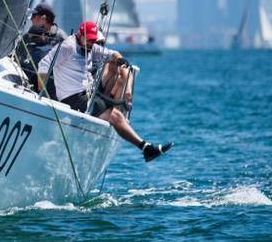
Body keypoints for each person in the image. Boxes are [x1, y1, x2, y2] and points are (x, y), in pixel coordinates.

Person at [38, 20, 173, 162]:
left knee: (115, 111)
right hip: (72, 97)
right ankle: (146, 148)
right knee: (114, 116)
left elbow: (112, 53)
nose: (92, 43)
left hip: (86, 95)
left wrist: (119, 59)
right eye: (89, 40)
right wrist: (43, 91)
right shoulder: (67, 47)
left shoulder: (90, 47)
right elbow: (44, 64)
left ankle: (146, 147)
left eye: (94, 40)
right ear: (79, 34)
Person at [16, 3, 67, 98]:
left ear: (43, 18)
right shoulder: (28, 36)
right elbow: (17, 55)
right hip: (21, 83)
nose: (31, 19)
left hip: (46, 91)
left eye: (34, 16)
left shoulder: (62, 40)